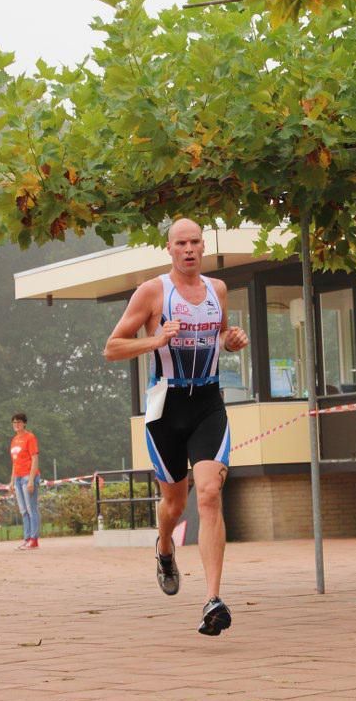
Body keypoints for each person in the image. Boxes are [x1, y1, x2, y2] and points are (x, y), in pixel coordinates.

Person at [104, 219, 248, 636]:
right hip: (166, 407)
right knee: (175, 503)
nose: (188, 249)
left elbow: (220, 337)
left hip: (207, 402)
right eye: (180, 243)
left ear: (204, 246)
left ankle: (213, 599)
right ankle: (165, 547)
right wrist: (154, 341)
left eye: (195, 242)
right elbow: (112, 348)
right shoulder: (152, 292)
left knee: (209, 493)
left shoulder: (217, 290)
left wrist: (232, 339)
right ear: (169, 249)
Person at [10, 412, 41, 550]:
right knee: (23, 510)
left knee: (31, 508)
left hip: (28, 476)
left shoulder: (30, 437)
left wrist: (31, 480)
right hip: (17, 477)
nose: (16, 425)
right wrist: (11, 481)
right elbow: (14, 462)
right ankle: (27, 538)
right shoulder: (14, 440)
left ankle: (34, 539)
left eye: (19, 422)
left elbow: (34, 458)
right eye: (14, 422)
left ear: (24, 423)